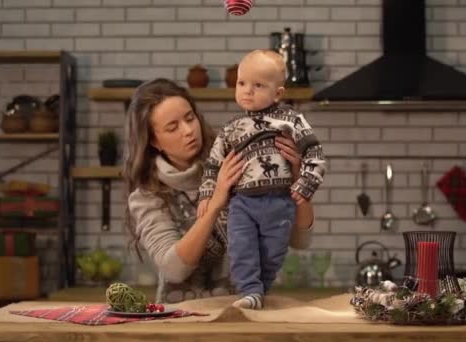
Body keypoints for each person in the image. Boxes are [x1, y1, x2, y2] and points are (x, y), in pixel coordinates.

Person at [123, 78, 315, 305]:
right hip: (182, 320)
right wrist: (215, 203)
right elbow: (173, 269)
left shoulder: (238, 161)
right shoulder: (146, 197)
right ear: (154, 141)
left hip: (248, 313)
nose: (188, 131)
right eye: (172, 127)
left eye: (189, 118)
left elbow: (300, 240)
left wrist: (297, 181)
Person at [197, 50, 326, 310]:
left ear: (278, 93)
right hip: (242, 203)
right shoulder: (231, 127)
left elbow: (314, 152)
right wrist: (207, 195)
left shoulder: (291, 120)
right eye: (242, 83)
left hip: (279, 202)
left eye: (258, 85)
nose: (247, 91)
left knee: (272, 253)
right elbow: (213, 164)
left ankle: (259, 292)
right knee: (241, 247)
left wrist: (305, 183)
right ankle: (250, 290)